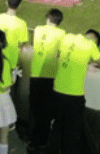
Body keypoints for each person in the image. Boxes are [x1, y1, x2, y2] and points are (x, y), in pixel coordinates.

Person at [50, 29, 100, 154]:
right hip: (74, 96)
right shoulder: (90, 45)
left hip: (57, 90)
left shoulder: (67, 37)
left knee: (57, 127)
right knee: (72, 132)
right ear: (95, 41)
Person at [29, 9, 65, 151]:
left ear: (48, 18)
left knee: (34, 108)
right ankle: (43, 141)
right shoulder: (61, 34)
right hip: (50, 76)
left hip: (35, 74)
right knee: (46, 111)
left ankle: (32, 139)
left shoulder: (38, 29)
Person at [0, 0, 29, 69]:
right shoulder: (22, 24)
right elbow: (22, 44)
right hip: (11, 61)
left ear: (6, 3)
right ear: (20, 6)